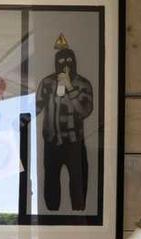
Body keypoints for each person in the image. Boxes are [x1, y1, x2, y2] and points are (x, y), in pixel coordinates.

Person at [35, 39, 94, 212]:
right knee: (51, 181)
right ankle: (50, 216)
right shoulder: (47, 83)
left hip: (74, 142)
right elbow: (36, 106)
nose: (65, 66)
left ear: (74, 62)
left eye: (69, 62)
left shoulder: (83, 84)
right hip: (51, 142)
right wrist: (18, 121)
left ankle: (79, 217)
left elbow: (85, 111)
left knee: (78, 181)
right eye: (60, 63)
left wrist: (70, 87)